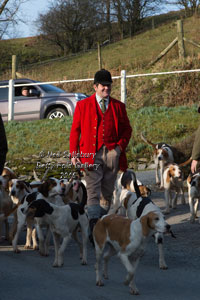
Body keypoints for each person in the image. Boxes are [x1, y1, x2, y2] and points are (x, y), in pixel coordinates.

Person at [69, 69, 132, 238]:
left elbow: (127, 130)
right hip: (90, 154)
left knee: (107, 191)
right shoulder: (82, 105)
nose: (106, 89)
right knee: (93, 190)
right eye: (103, 86)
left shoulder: (119, 106)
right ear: (95, 87)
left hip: (112, 153)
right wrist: (74, 154)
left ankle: (99, 221)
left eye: (109, 86)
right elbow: (75, 131)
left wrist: (118, 149)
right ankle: (93, 228)